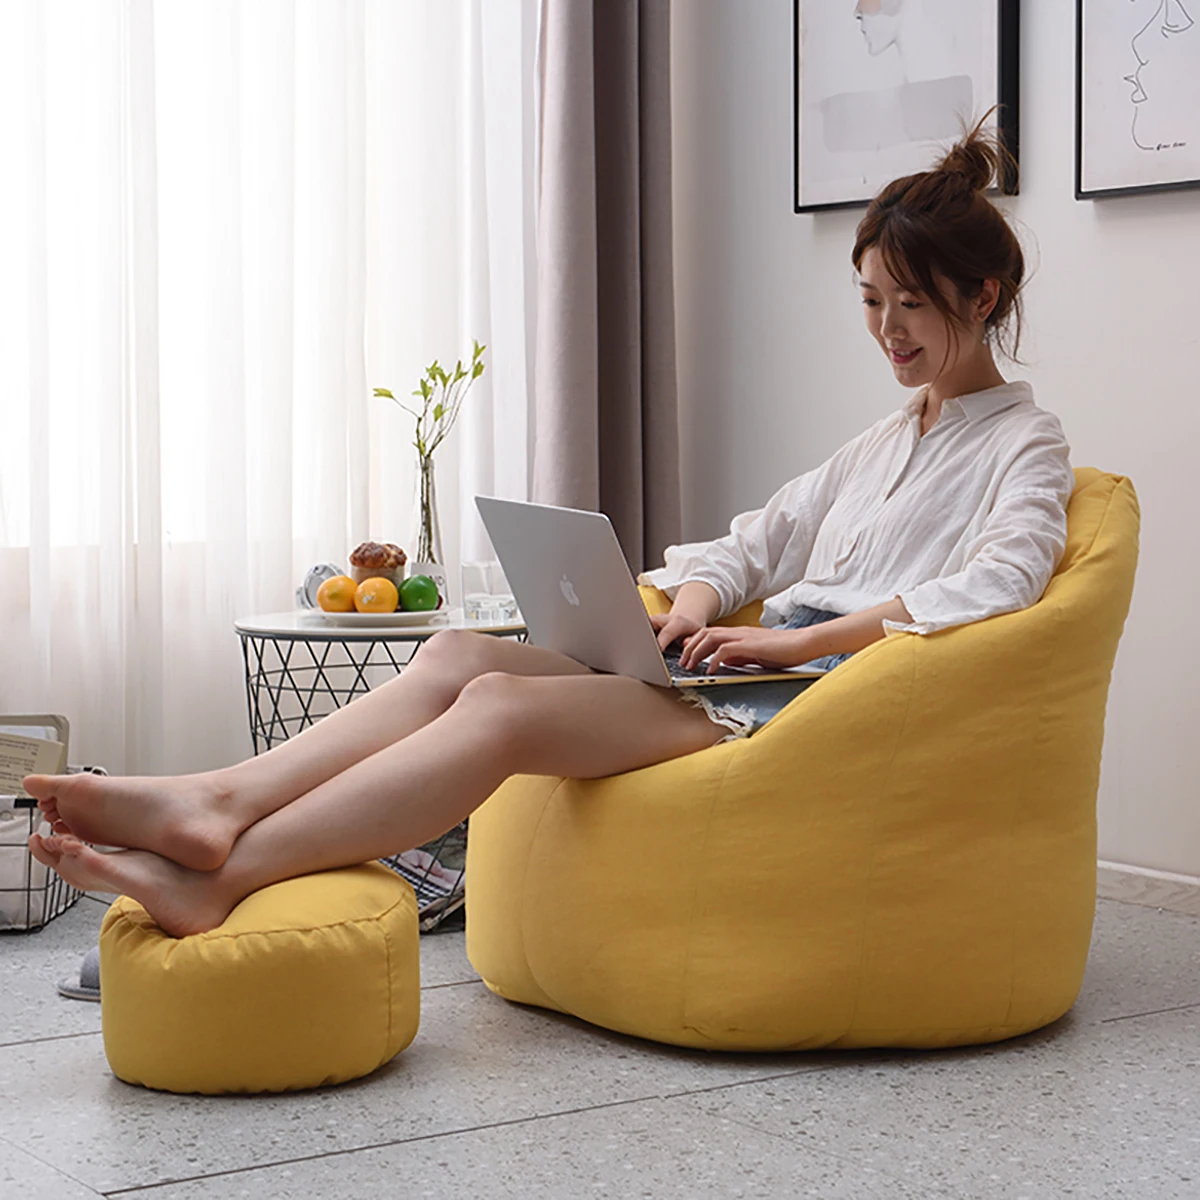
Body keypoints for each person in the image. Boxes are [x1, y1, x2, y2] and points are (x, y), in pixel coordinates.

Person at [26, 120, 1073, 939]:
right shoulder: (885, 439)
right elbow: (754, 541)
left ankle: (229, 874)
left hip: (809, 702)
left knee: (497, 707)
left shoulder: (1027, 444)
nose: (887, 330)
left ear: (983, 296)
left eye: (910, 305)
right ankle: (217, 800)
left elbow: (1000, 585)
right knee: (455, 654)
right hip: (744, 674)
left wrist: (792, 645)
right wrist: (695, 605)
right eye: (871, 301)